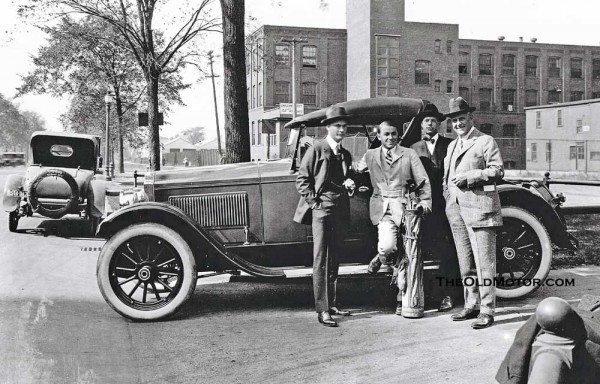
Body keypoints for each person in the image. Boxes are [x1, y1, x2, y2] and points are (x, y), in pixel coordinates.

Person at [355, 120, 431, 316]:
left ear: (399, 135)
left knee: (406, 256)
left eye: (394, 134)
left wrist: (425, 203)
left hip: (406, 209)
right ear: (378, 136)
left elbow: (423, 181)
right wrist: (348, 178)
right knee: (388, 247)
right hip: (382, 207)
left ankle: (402, 300)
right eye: (386, 134)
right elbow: (355, 170)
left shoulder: (409, 154)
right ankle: (380, 257)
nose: (390, 138)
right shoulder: (370, 155)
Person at [443, 97, 504, 329]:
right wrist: (448, 195)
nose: (458, 124)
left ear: (471, 118)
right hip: (456, 209)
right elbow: (447, 177)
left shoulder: (485, 141)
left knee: (484, 263)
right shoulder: (452, 145)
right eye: (454, 120)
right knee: (466, 262)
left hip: (480, 209)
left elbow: (497, 170)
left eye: (461, 119)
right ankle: (471, 304)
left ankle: (487, 310)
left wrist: (471, 176)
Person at [293, 105, 356, 328]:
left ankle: (333, 304)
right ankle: (322, 309)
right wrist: (315, 203)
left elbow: (346, 178)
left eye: (344, 126)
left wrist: (350, 184)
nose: (341, 130)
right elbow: (302, 180)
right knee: (321, 259)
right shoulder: (317, 148)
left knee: (335, 258)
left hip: (340, 211)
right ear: (328, 127)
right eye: (337, 126)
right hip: (322, 210)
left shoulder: (345, 153)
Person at [410, 103, 461, 313]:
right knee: (421, 250)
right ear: (421, 125)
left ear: (439, 124)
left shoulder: (450, 145)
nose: (429, 124)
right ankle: (422, 295)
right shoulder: (414, 148)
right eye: (426, 121)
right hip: (424, 207)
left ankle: (447, 295)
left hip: (445, 205)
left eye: (433, 121)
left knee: (447, 250)